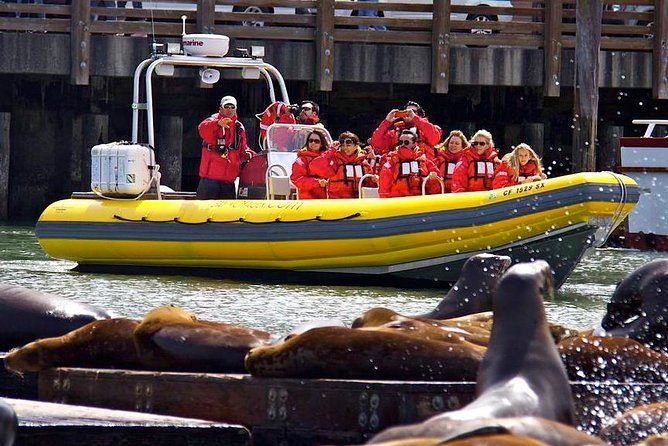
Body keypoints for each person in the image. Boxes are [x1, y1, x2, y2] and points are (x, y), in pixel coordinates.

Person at [197, 95, 255, 199]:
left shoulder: (239, 127)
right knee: (205, 210)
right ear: (220, 108)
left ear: (236, 109)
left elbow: (243, 148)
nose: (229, 109)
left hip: (228, 180)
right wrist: (218, 124)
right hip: (210, 179)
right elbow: (202, 129)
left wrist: (253, 156)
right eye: (226, 106)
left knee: (227, 213)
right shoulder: (212, 121)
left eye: (232, 107)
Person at [310, 131, 374, 199]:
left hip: (358, 202)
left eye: (348, 145)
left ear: (355, 147)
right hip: (338, 203)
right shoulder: (335, 161)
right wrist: (331, 150)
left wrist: (374, 179)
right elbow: (314, 165)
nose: (345, 148)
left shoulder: (363, 163)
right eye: (343, 145)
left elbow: (371, 183)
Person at [379, 130, 439, 198]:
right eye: (401, 142)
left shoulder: (424, 161)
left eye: (406, 142)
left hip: (420, 199)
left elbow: (436, 186)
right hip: (398, 201)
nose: (403, 144)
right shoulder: (391, 161)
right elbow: (384, 187)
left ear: (414, 144)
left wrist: (433, 177)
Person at [369, 101, 442, 156]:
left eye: (413, 111)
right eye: (406, 111)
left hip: (423, 170)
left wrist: (415, 119)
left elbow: (434, 138)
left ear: (419, 115)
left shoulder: (431, 129)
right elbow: (376, 143)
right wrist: (386, 122)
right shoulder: (395, 133)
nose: (409, 113)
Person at [426, 129, 470, 194]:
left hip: (460, 196)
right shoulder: (439, 159)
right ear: (447, 144)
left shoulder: (467, 161)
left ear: (462, 146)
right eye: (451, 143)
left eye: (457, 144)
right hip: (441, 195)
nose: (453, 145)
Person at [290, 129, 329, 199]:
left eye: (316, 141)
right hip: (308, 201)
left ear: (321, 144)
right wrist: (317, 182)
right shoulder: (300, 161)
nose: (313, 143)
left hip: (327, 199)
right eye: (310, 141)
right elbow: (297, 179)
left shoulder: (329, 158)